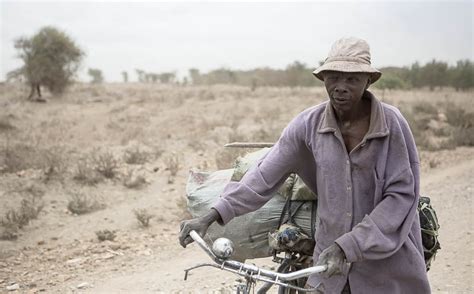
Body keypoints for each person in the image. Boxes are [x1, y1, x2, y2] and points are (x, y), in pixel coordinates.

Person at [179, 37, 431, 293]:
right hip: (329, 263)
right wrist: (210, 216)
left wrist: (349, 245)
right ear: (323, 79)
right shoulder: (307, 125)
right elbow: (263, 177)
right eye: (333, 77)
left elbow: (401, 196)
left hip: (385, 260)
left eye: (352, 79)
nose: (340, 87)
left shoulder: (391, 125)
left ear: (368, 81)